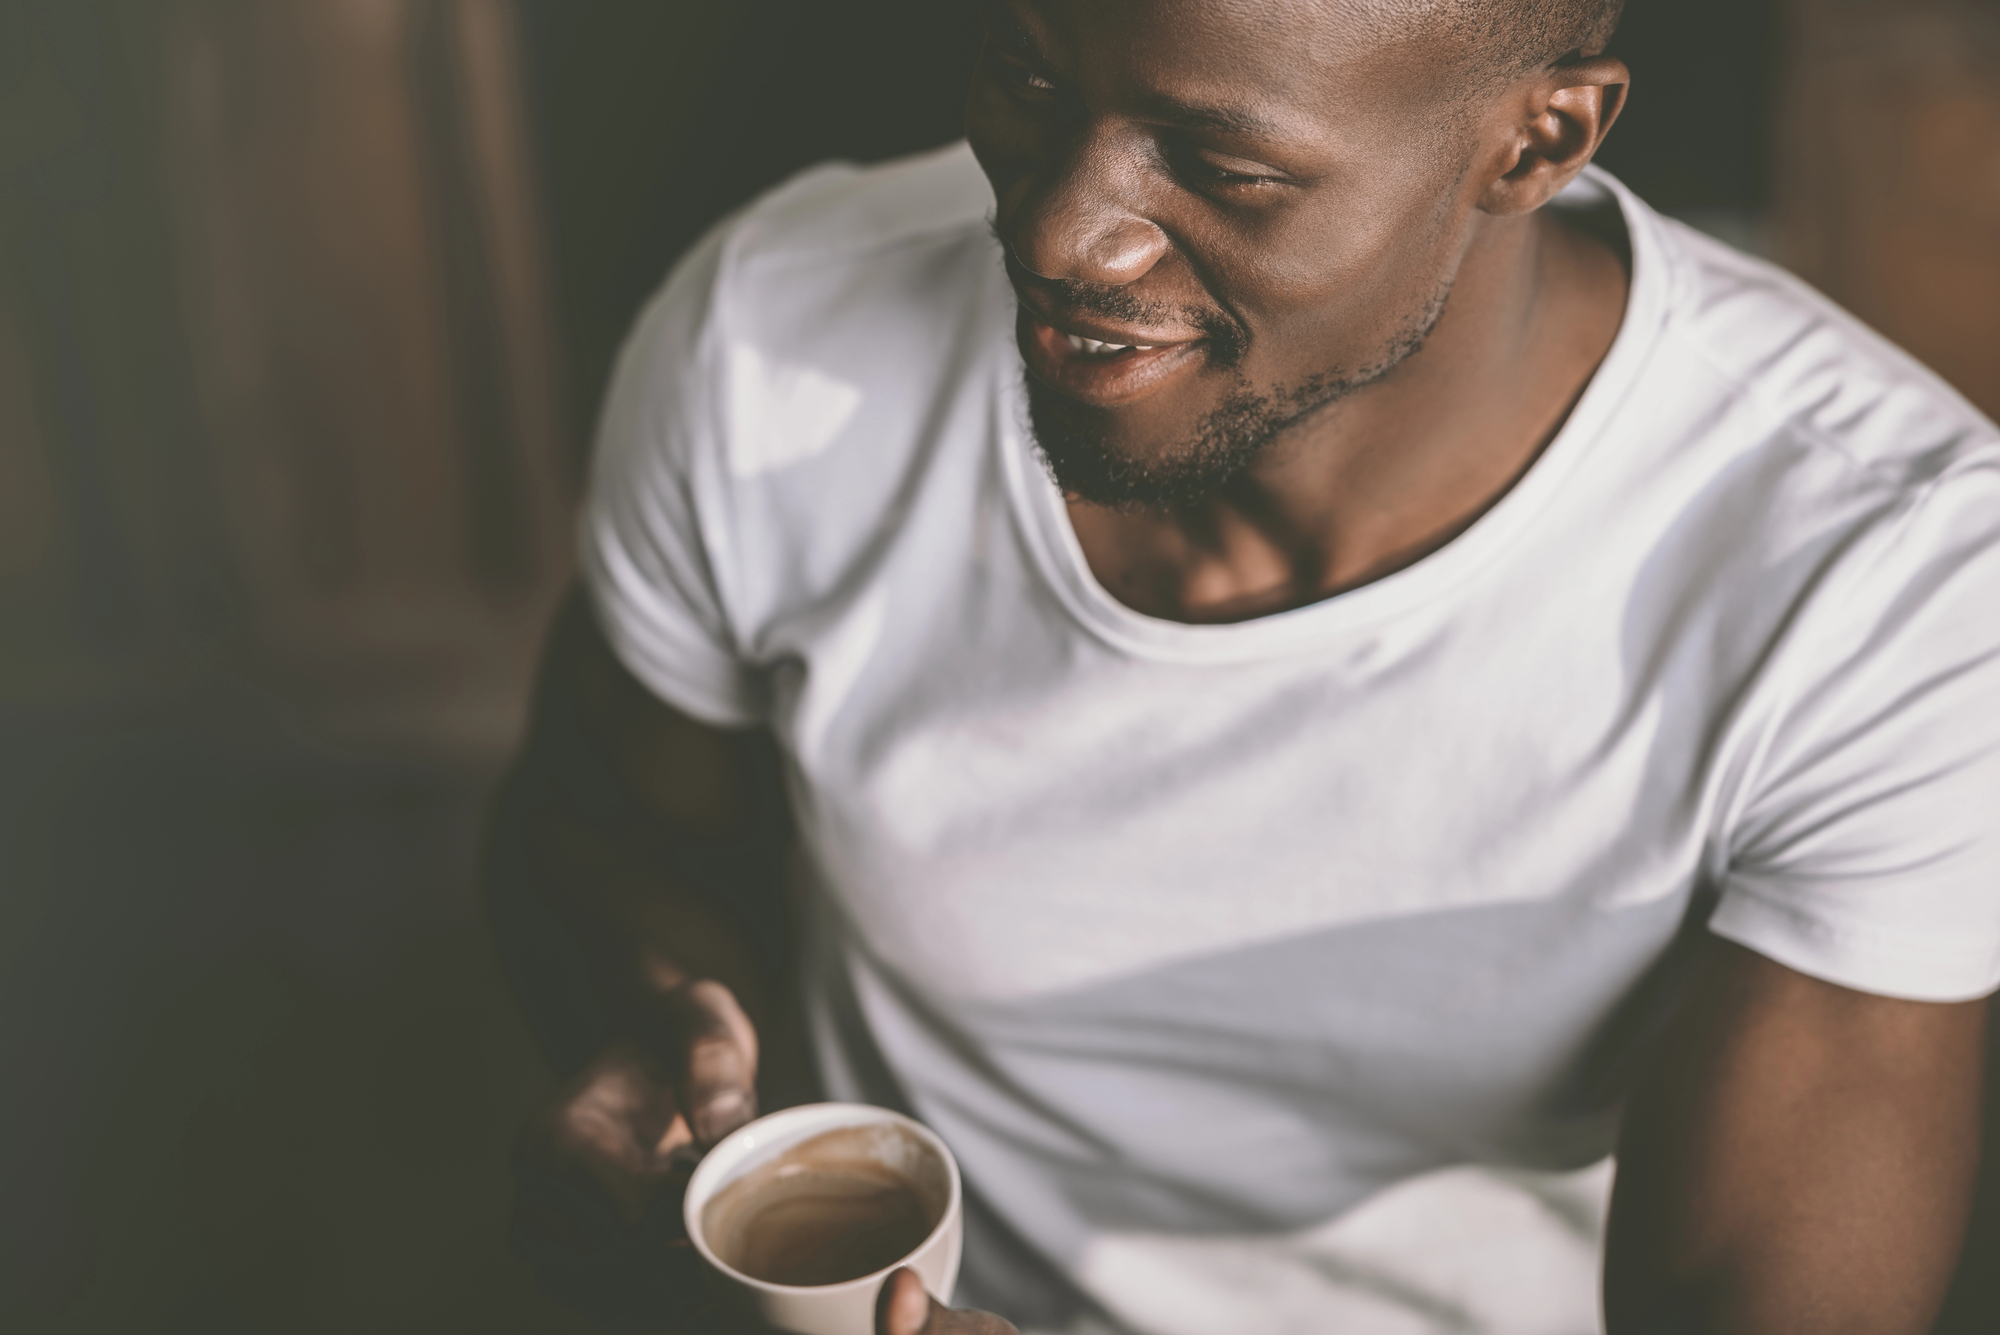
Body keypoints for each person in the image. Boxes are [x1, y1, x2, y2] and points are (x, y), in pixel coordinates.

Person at [486, 1, 2000, 1331]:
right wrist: (653, 1024)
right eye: (1030, 77)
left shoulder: (1881, 583)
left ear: (1538, 141)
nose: (1057, 235)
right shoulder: (774, 340)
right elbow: (604, 828)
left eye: (1227, 170)